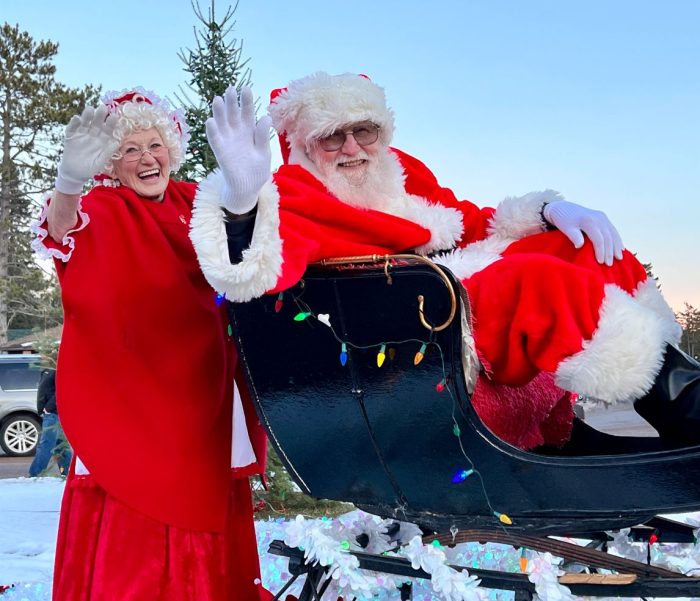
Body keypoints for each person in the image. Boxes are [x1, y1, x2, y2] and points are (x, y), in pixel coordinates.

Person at [190, 73, 700, 451]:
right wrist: (242, 203)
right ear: (305, 145)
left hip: (449, 300)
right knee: (530, 281)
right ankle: (686, 404)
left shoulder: (399, 173)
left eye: (364, 130)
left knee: (578, 247)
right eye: (332, 137)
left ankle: (669, 398)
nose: (352, 147)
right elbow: (257, 270)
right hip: (399, 330)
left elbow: (471, 224)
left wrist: (548, 211)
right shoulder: (298, 194)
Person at [32, 89, 268, 600]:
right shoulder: (100, 206)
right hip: (128, 398)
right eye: (130, 150)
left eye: (154, 145)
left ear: (173, 148)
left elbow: (247, 258)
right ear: (111, 164)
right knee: (134, 499)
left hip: (199, 391)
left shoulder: (196, 202)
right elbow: (61, 231)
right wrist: (69, 183)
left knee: (201, 496)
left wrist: (247, 195)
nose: (146, 158)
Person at [28, 368, 72, 477]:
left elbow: (62, 390)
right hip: (53, 414)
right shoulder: (47, 370)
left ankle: (35, 474)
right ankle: (66, 472)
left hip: (53, 414)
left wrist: (49, 408)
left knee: (46, 445)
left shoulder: (58, 370)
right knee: (60, 447)